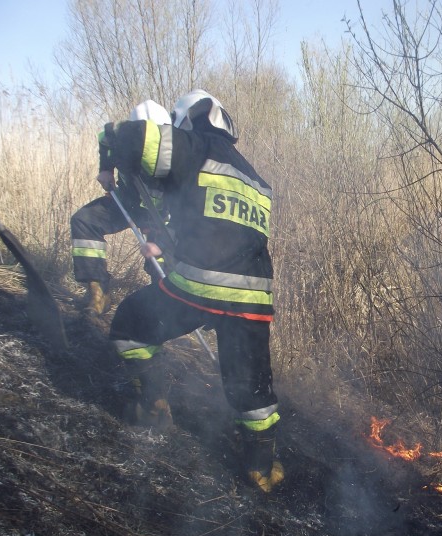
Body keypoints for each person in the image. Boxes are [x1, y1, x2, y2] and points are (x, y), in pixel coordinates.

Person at [101, 89, 283, 493]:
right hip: (254, 297)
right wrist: (167, 244)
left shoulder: (193, 147)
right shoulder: (258, 181)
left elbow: (135, 139)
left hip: (200, 287)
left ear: (185, 121)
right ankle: (261, 467)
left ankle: (153, 405)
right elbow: (214, 229)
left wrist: (106, 152)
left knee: (129, 326)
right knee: (252, 386)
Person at [71, 100, 172, 316]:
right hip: (126, 203)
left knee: (161, 262)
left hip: (160, 216)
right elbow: (105, 137)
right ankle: (98, 295)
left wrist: (159, 236)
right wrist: (105, 169)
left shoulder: (173, 152)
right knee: (85, 221)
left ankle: (161, 311)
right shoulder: (122, 136)